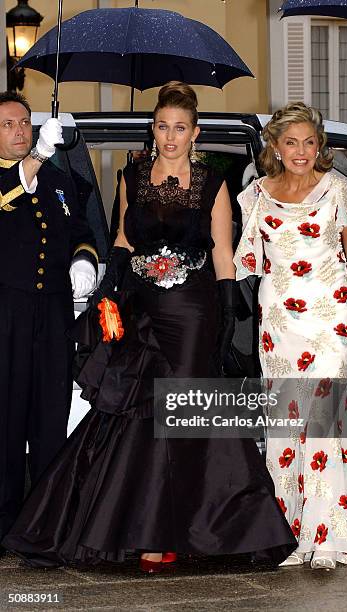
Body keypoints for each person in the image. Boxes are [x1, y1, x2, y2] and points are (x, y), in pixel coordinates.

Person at [3, 82, 296, 572]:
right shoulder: (133, 174)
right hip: (142, 310)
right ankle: (142, 530)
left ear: (195, 133)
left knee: (182, 412)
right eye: (162, 127)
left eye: (179, 128)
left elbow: (223, 251)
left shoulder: (214, 180)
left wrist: (226, 313)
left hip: (193, 311)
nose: (169, 137)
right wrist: (110, 292)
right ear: (153, 129)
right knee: (134, 413)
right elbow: (121, 237)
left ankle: (194, 529)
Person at [234, 102, 347, 569]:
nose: (301, 151)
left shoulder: (337, 189)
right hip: (280, 324)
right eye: (291, 142)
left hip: (330, 316)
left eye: (309, 142)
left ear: (319, 145)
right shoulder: (257, 195)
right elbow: (242, 258)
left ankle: (328, 537)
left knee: (324, 418)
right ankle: (290, 529)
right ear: (276, 147)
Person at [0, 92, 98, 555]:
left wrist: (84, 262)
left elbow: (82, 232)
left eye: (24, 122)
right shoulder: (7, 179)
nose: (19, 130)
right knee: (6, 418)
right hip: (7, 316)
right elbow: (6, 195)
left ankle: (41, 527)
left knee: (48, 419)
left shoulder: (60, 181)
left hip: (55, 314)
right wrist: (37, 155)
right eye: (8, 124)